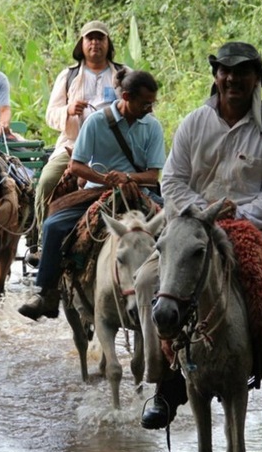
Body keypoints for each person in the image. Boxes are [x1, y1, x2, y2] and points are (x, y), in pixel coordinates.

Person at [137, 42, 262, 430]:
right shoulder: (194, 123)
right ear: (216, 77)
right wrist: (203, 213)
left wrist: (239, 214)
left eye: (242, 72)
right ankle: (165, 382)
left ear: (257, 79)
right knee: (145, 281)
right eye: (225, 71)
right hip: (194, 223)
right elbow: (171, 181)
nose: (232, 79)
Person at [17, 69, 164, 320]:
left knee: (177, 227)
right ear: (126, 97)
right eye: (145, 103)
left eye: (152, 103)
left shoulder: (152, 126)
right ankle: (46, 293)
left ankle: (175, 296)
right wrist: (105, 179)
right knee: (53, 225)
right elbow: (76, 165)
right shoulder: (96, 122)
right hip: (96, 192)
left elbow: (152, 175)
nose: (149, 109)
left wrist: (127, 177)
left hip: (138, 191)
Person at [31, 21, 125, 259]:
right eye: (90, 39)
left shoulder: (123, 74)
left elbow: (139, 108)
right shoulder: (68, 75)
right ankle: (43, 242)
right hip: (72, 146)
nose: (95, 43)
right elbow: (51, 115)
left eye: (100, 38)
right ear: (81, 44)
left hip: (115, 148)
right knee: (46, 182)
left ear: (108, 43)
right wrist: (69, 110)